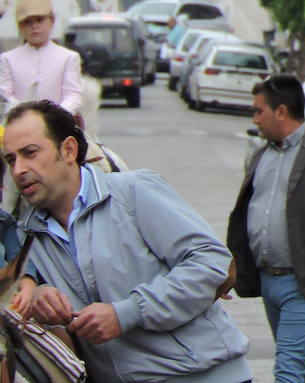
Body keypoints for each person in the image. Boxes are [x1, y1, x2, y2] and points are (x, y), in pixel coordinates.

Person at [2, 99, 250, 383]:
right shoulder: (25, 234)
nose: (19, 169)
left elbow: (213, 264)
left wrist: (127, 313)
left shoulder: (132, 192)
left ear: (68, 150)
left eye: (30, 153)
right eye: (11, 159)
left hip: (202, 374)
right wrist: (40, 296)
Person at [228, 74, 305, 383]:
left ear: (281, 111)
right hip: (268, 280)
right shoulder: (260, 156)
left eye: (259, 110)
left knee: (288, 368)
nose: (254, 119)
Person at [0, 0, 82, 116]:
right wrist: (25, 114)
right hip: (18, 123)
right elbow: (5, 95)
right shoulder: (8, 58)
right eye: (28, 22)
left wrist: (55, 116)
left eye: (40, 20)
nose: (34, 26)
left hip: (57, 126)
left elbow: (73, 95)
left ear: (52, 21)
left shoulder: (68, 57)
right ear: (20, 26)